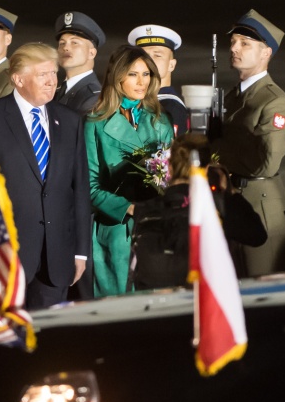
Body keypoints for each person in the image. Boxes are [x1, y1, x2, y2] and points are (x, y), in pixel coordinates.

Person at [0, 43, 91, 309]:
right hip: (4, 257)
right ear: (18, 79)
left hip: (57, 258)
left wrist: (81, 251)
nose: (52, 82)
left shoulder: (70, 121)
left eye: (54, 74)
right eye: (42, 75)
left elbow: (80, 188)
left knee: (50, 344)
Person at [211, 9, 285, 277]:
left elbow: (265, 164)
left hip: (261, 206)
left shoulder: (274, 101)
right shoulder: (234, 97)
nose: (234, 48)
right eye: (233, 42)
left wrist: (216, 148)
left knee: (263, 291)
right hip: (233, 203)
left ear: (266, 52)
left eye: (245, 44)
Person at [86, 45, 174, 298]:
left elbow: (173, 175)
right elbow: (89, 184)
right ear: (118, 76)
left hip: (155, 227)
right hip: (116, 228)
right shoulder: (95, 122)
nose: (141, 82)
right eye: (134, 74)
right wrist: (128, 207)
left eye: (146, 74)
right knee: (117, 309)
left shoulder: (159, 120)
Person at [128, 133, 266, 291]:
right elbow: (258, 236)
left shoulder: (146, 210)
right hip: (201, 303)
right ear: (206, 169)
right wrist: (230, 191)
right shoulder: (217, 207)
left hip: (157, 306)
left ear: (170, 168)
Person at [127, 24, 189, 136]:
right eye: (142, 55)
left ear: (171, 65)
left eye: (157, 55)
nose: (148, 60)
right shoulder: (135, 102)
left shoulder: (170, 108)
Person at [54, 11, 105, 116]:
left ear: (91, 53)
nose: (66, 47)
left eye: (75, 42)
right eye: (62, 43)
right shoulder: (58, 90)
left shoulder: (94, 98)